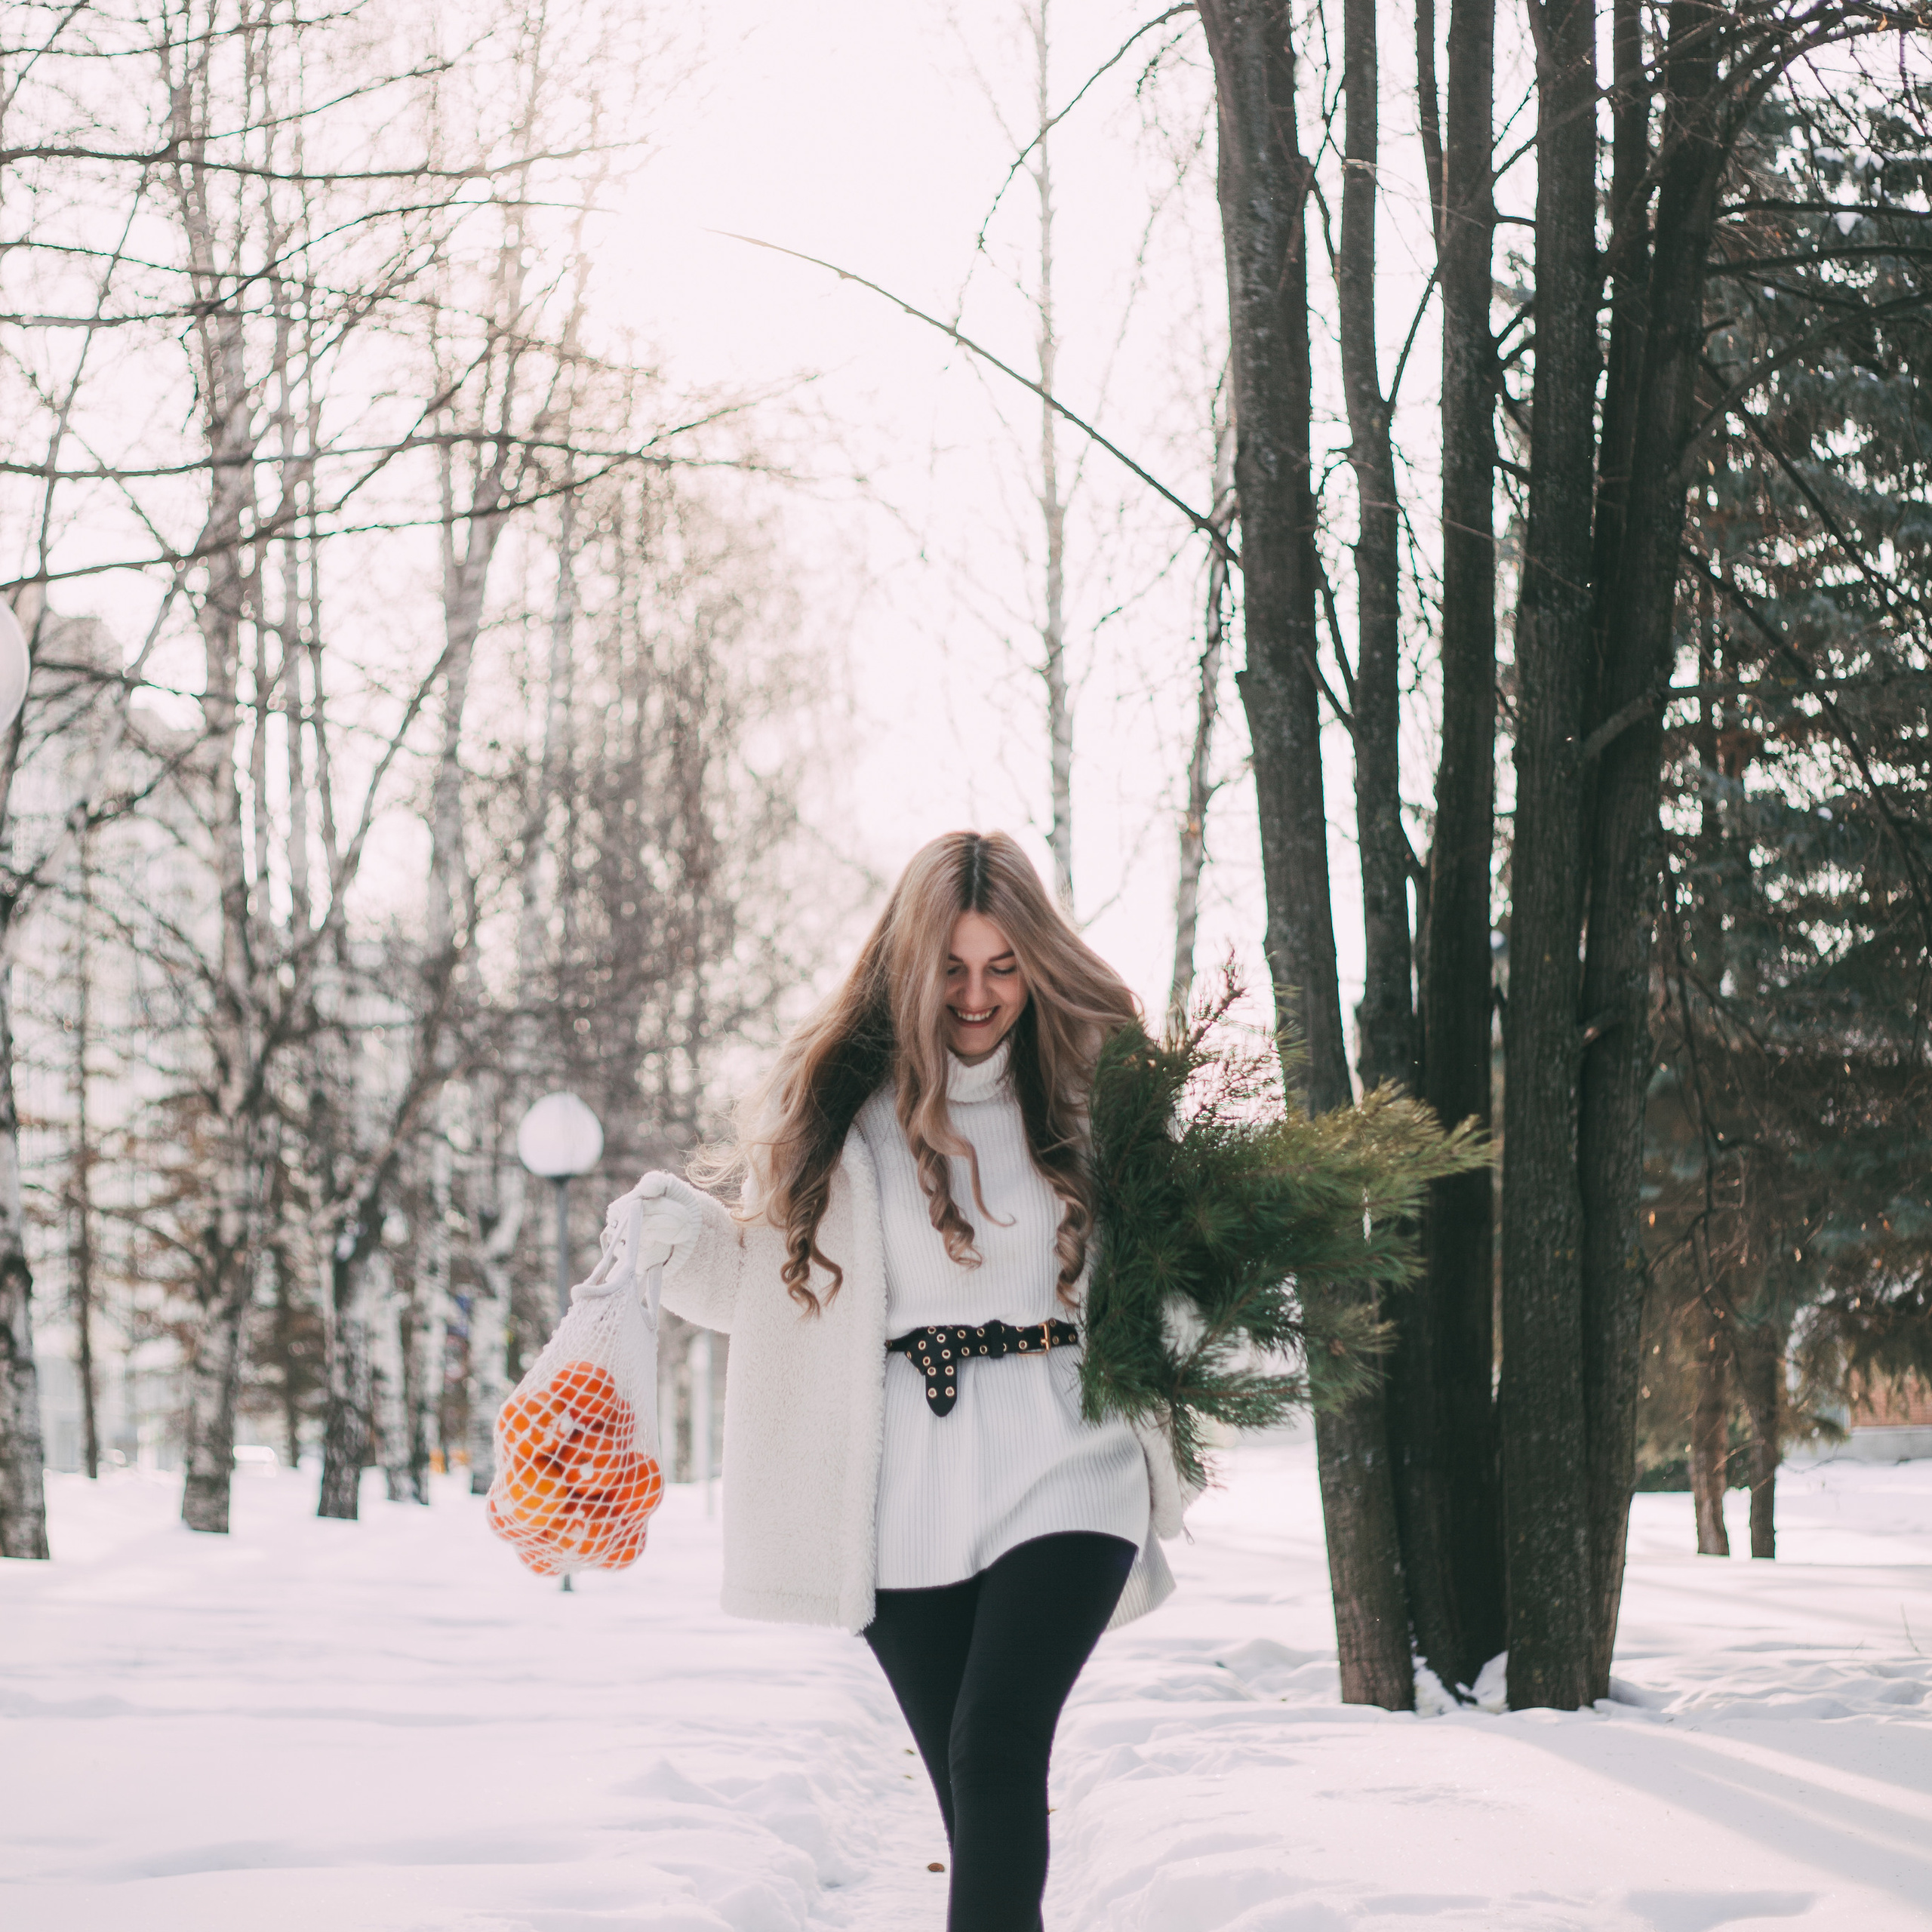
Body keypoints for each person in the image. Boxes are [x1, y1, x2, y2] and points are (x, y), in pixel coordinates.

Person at [616, 829, 1190, 1932]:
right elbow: (772, 1290)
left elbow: (1184, 1264)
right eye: (954, 968)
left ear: (1038, 961)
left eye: (1004, 967)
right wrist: (675, 1236)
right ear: (907, 963)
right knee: (973, 1794)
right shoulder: (840, 1104)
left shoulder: (1096, 1094)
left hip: (1069, 1452)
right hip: (900, 1489)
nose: (979, 995)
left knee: (997, 1745)